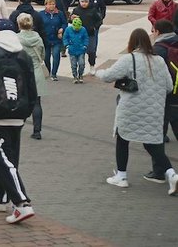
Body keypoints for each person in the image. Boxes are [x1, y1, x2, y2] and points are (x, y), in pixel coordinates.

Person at [97, 28, 178, 194]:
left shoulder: (129, 59)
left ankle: (121, 176)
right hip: (154, 110)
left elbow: (108, 76)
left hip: (131, 108)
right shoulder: (159, 60)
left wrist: (98, 72)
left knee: (123, 139)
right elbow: (169, 86)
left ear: (132, 43)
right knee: (152, 144)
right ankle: (172, 174)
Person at [0, 21, 38, 224]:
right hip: (19, 114)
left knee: (3, 160)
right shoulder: (23, 55)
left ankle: (22, 203)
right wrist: (28, 109)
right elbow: (31, 85)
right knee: (9, 159)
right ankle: (0, 199)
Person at [17, 13, 47, 139]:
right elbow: (43, 54)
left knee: (20, 102)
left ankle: (17, 127)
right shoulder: (38, 38)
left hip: (22, 72)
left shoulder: (16, 38)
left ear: (19, 24)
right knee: (37, 103)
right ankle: (37, 131)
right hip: (36, 71)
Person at [152, 19, 178, 150]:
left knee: (160, 124)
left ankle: (160, 167)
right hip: (176, 89)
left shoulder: (158, 49)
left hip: (165, 91)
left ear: (158, 32)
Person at [70, 0, 102, 76]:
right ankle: (81, 68)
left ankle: (92, 65)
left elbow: (99, 20)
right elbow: (71, 20)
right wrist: (71, 18)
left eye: (86, 2)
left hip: (90, 33)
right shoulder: (76, 10)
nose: (84, 3)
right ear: (79, 2)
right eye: (82, 1)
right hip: (79, 34)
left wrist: (95, 27)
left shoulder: (93, 10)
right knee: (81, 52)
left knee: (91, 51)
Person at [38, 0, 67, 81]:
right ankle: (48, 71)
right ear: (46, 5)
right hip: (46, 39)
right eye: (50, 4)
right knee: (46, 57)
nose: (52, 6)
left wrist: (62, 29)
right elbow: (39, 25)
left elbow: (64, 23)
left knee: (56, 55)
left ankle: (54, 74)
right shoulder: (41, 14)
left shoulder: (60, 13)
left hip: (56, 39)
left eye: (53, 4)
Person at [63, 16, 89, 83]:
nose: (77, 30)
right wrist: (67, 45)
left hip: (81, 50)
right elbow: (65, 38)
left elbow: (86, 38)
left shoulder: (83, 29)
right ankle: (75, 76)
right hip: (72, 50)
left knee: (81, 63)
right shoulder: (68, 29)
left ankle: (80, 75)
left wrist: (85, 45)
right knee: (73, 64)